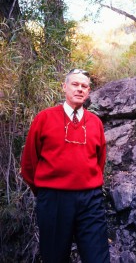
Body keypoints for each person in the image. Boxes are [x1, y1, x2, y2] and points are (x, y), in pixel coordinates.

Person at [20, 68, 110, 263]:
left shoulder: (95, 123)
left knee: (98, 258)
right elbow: (28, 163)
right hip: (54, 200)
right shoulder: (44, 118)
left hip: (90, 200)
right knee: (54, 258)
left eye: (84, 86)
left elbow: (100, 160)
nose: (79, 89)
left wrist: (89, 183)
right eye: (75, 84)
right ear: (64, 87)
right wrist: (45, 191)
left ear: (88, 91)